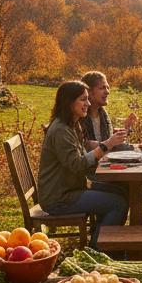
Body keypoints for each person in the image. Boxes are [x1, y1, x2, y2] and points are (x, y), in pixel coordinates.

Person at [36, 80, 129, 247]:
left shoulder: (71, 124)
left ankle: (109, 240)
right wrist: (106, 145)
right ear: (69, 102)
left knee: (121, 190)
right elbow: (77, 164)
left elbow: (82, 159)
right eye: (83, 99)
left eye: (88, 99)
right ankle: (97, 249)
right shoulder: (61, 130)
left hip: (71, 188)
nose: (88, 103)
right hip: (59, 198)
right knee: (117, 203)